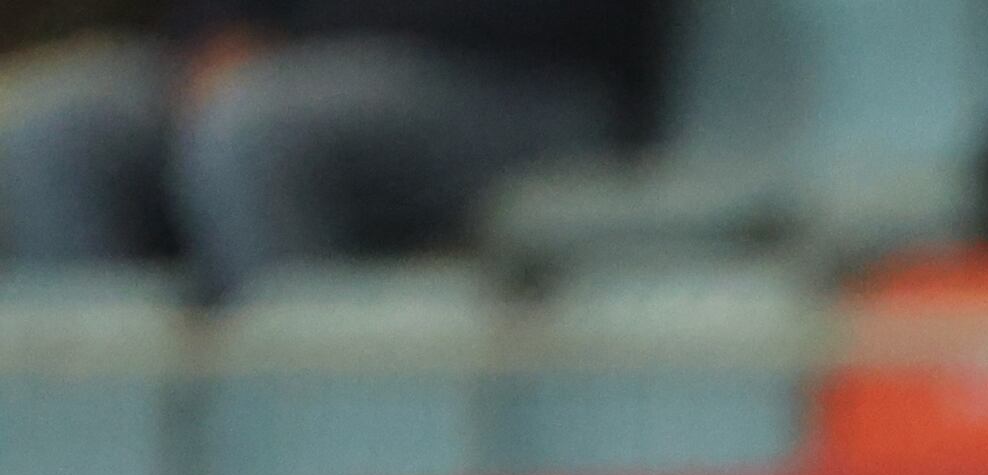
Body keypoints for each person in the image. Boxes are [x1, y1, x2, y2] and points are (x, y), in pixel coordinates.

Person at [0, 0, 645, 292]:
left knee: (254, 137)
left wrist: (296, 47)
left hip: (517, 75)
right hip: (300, 68)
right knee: (52, 141)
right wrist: (226, 28)